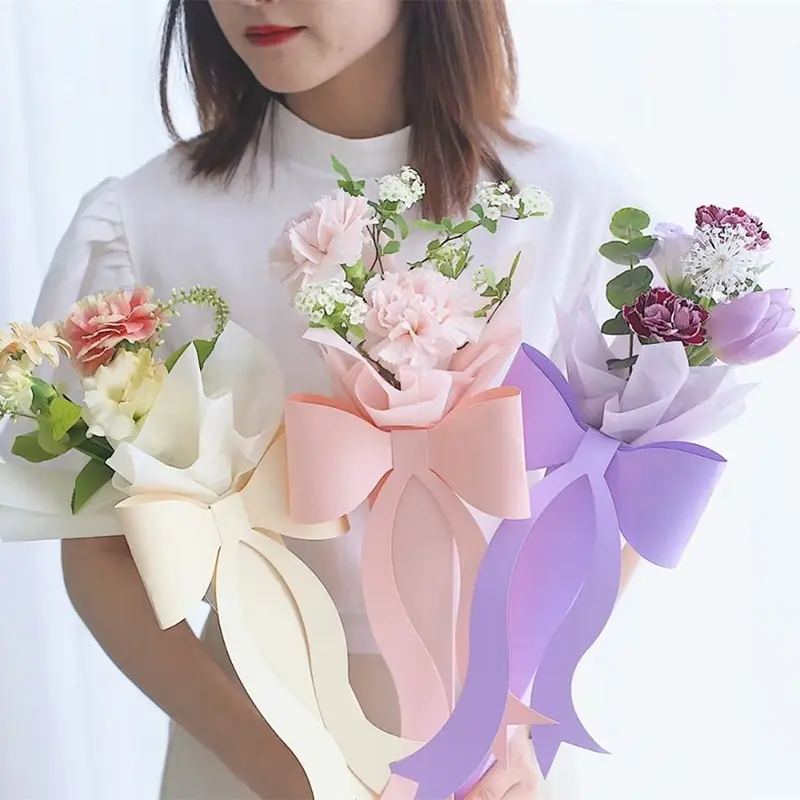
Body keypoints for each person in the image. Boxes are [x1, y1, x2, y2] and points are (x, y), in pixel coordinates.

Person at [21, 0, 642, 797]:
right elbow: (99, 553)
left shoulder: (571, 202)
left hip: (496, 762)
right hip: (248, 746)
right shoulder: (144, 223)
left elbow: (626, 490)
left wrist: (518, 715)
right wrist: (289, 773)